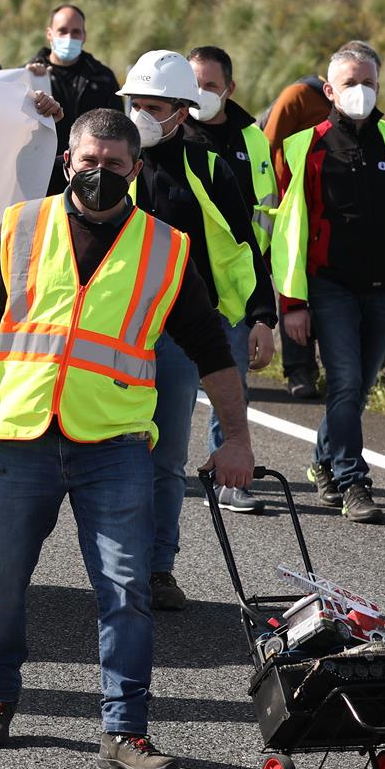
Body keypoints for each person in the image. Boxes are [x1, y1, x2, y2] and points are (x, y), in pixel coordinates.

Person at [0, 107, 255, 769]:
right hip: (24, 438)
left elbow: (211, 348)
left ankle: (125, 731)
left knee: (127, 588)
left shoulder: (165, 247)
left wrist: (235, 435)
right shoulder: (20, 227)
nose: (100, 174)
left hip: (115, 446)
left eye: (114, 165)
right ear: (68, 162)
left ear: (137, 168)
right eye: (88, 162)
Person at [118, 50, 273, 605]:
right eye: (133, 104)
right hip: (109, 331)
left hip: (179, 335)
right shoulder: (109, 158)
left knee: (164, 456)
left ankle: (158, 567)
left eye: (151, 107)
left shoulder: (210, 169)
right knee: (100, 451)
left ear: (179, 113)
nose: (138, 115)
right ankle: (112, 563)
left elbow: (243, 246)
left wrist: (260, 316)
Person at [271, 46, 385, 525]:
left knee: (357, 389)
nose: (360, 92)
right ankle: (351, 478)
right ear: (329, 90)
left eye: (369, 84)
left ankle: (323, 460)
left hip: (384, 288)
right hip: (329, 287)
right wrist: (292, 302)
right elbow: (290, 231)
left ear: (379, 87)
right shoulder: (303, 146)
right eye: (350, 84)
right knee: (342, 381)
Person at [188, 44, 281, 513]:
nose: (201, 93)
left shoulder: (252, 138)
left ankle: (229, 481)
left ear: (230, 88)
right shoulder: (168, 132)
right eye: (195, 84)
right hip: (178, 288)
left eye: (210, 85)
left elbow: (265, 219)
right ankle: (145, 472)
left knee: (232, 388)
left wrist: (265, 308)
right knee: (169, 389)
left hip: (236, 291)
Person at [262, 54, 352, 398]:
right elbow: (267, 144)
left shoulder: (355, 106)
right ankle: (299, 371)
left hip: (332, 209)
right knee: (293, 288)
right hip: (292, 204)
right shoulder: (298, 96)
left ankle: (332, 370)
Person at [26, 4, 120, 153]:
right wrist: (25, 79)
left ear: (84, 36)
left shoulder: (103, 78)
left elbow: (117, 129)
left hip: (89, 166)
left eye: (76, 32)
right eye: (62, 31)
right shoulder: (28, 74)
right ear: (49, 34)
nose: (69, 37)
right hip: (41, 165)